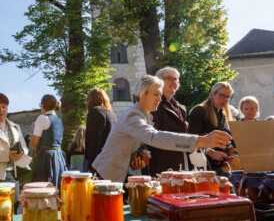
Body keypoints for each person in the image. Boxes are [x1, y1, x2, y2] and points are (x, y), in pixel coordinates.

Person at [92, 75, 232, 183]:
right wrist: (201, 140)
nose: (159, 99)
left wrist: (140, 155)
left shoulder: (144, 116)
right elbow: (154, 137)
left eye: (160, 94)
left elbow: (136, 143)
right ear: (142, 94)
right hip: (106, 175)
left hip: (116, 176)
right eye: (155, 94)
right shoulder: (133, 115)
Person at [143, 67, 189, 175]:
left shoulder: (180, 107)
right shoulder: (153, 104)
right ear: (158, 81)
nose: (174, 82)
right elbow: (148, 135)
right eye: (169, 78)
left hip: (180, 160)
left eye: (176, 79)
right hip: (160, 163)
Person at [186, 81, 235, 172]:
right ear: (213, 94)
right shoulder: (199, 110)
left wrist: (229, 150)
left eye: (227, 96)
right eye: (221, 95)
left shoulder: (222, 114)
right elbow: (191, 138)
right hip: (201, 165)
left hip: (218, 165)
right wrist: (210, 152)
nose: (224, 99)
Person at [31, 94, 67, 188]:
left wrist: (33, 130)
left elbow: (34, 143)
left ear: (43, 105)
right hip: (59, 156)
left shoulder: (42, 118)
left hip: (46, 157)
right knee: (57, 186)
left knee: (42, 188)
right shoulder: (59, 121)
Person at [85, 88, 117, 172]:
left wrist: (92, 165)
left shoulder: (95, 112)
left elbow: (94, 140)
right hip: (113, 158)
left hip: (100, 161)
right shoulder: (112, 114)